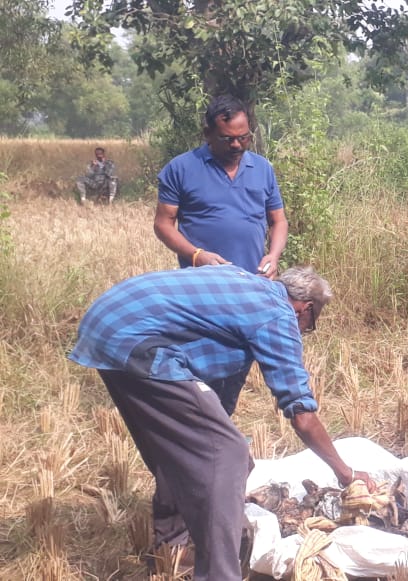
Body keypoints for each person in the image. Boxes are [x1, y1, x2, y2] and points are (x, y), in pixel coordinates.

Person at [69, 265, 375, 581]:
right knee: (229, 454)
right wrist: (346, 473)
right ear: (305, 309)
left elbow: (221, 388)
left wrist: (211, 433)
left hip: (109, 325)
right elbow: (302, 415)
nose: (303, 332)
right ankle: (219, 574)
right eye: (310, 325)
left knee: (182, 451)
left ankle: (171, 555)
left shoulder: (251, 290)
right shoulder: (278, 315)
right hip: (134, 338)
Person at [155, 95, 287, 279]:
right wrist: (196, 255)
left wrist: (273, 256)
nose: (236, 145)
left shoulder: (262, 168)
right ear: (207, 134)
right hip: (201, 281)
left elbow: (278, 221)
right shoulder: (181, 169)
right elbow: (162, 224)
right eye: (227, 138)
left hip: (254, 280)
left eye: (243, 138)